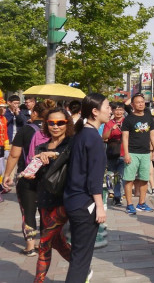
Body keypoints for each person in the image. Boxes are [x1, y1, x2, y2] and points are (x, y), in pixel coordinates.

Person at [64, 93, 110, 282]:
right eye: (107, 107)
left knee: (78, 254)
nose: (110, 111)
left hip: (73, 200)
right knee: (81, 259)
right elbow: (94, 178)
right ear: (94, 111)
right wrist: (100, 206)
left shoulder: (81, 133)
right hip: (84, 203)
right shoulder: (93, 138)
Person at [2, 99, 55, 256]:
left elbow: (14, 154)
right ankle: (44, 244)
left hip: (27, 176)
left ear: (35, 112)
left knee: (28, 211)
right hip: (49, 178)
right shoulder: (55, 129)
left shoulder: (25, 130)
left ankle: (30, 246)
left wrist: (7, 175)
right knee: (46, 211)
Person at [27, 108, 74, 283]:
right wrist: (30, 173)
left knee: (44, 241)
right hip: (45, 200)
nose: (55, 126)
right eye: (51, 123)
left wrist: (54, 154)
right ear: (46, 124)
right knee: (56, 242)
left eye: (60, 123)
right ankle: (81, 266)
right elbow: (38, 176)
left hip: (65, 200)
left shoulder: (72, 144)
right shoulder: (41, 147)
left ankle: (38, 281)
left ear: (67, 124)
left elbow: (71, 158)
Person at [121, 93, 154, 215]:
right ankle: (129, 205)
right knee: (129, 179)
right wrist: (126, 153)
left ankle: (141, 203)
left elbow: (152, 134)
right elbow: (125, 137)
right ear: (132, 105)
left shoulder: (148, 117)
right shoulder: (128, 119)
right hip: (132, 152)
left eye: (142, 102)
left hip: (146, 153)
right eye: (138, 102)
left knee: (144, 179)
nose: (141, 104)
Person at [102, 102, 126, 206]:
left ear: (123, 111)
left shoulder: (127, 122)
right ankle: (110, 193)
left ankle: (117, 197)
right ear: (112, 111)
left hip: (124, 152)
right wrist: (112, 129)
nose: (119, 112)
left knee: (120, 176)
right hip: (112, 152)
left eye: (120, 109)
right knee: (110, 176)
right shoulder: (109, 123)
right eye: (116, 109)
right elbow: (104, 137)